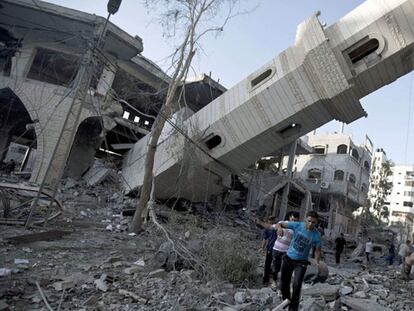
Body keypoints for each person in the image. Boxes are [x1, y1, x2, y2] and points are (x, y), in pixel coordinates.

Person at [275, 211, 322, 311]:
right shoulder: (297, 225)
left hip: (301, 262)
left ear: (316, 222)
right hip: (288, 258)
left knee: (297, 284)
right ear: (305, 219)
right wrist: (279, 228)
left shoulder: (317, 235)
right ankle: (286, 302)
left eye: (313, 222)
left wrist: (317, 261)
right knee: (284, 282)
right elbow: (280, 223)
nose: (310, 224)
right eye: (309, 221)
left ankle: (293, 308)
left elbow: (318, 250)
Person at [270, 211, 300, 291]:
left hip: (287, 251)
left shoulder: (296, 228)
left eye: (296, 220)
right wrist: (279, 228)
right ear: (290, 217)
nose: (293, 222)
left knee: (284, 269)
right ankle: (274, 281)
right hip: (276, 249)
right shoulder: (283, 223)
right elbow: (276, 225)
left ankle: (281, 286)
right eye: (292, 219)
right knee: (275, 267)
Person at [259, 216, 277, 285]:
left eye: (272, 220)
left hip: (277, 249)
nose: (270, 222)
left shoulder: (277, 228)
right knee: (267, 264)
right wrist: (262, 247)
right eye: (269, 220)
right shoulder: (267, 229)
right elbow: (264, 238)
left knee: (275, 264)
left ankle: (273, 278)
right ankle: (266, 280)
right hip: (270, 248)